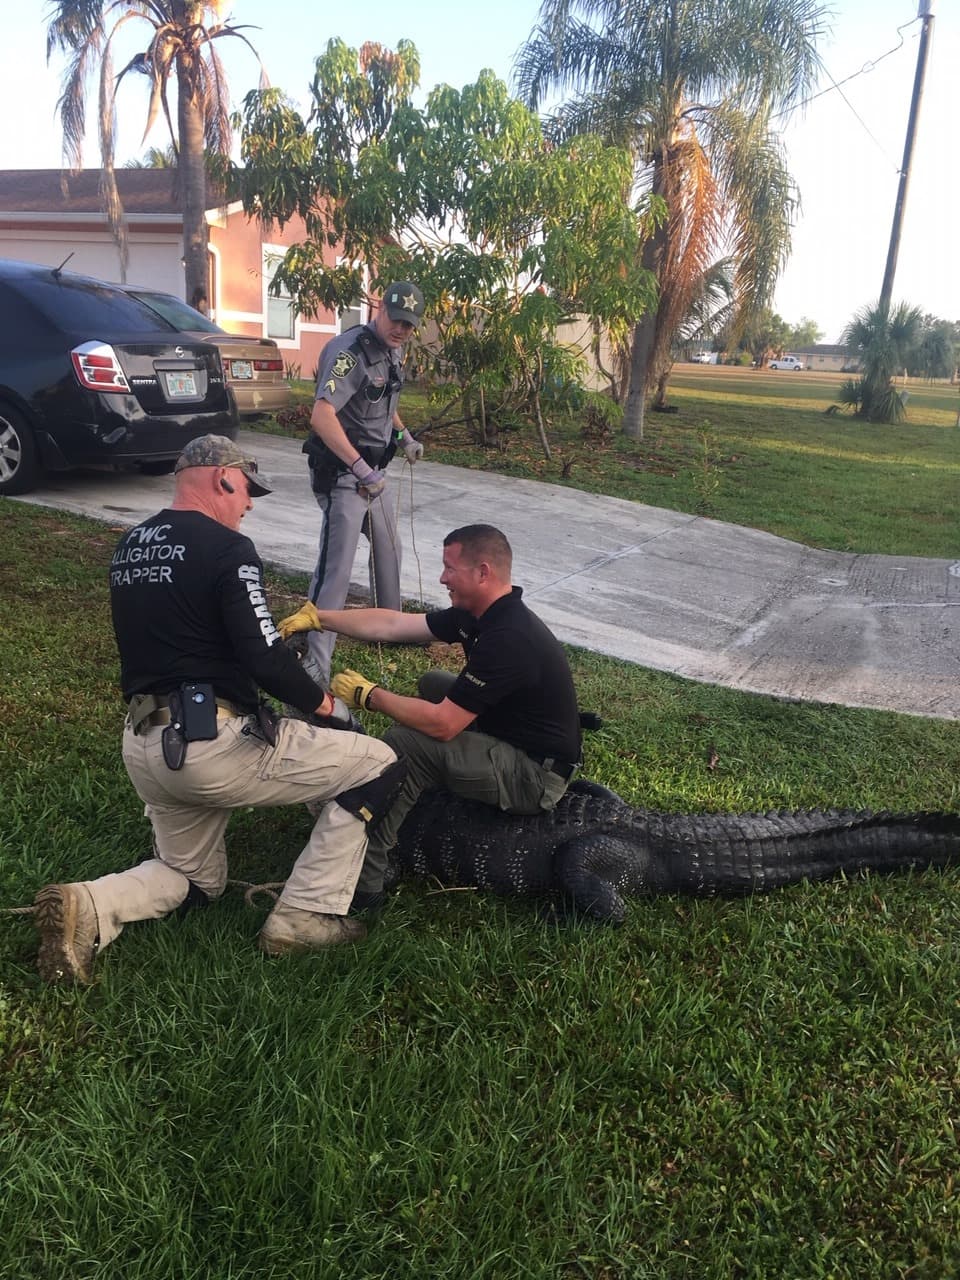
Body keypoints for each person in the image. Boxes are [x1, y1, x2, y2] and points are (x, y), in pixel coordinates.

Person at [32, 434, 403, 984]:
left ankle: (88, 905)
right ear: (222, 478)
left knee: (193, 879)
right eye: (246, 490)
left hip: (145, 746)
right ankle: (305, 915)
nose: (248, 503)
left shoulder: (131, 544)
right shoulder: (229, 549)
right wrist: (327, 706)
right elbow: (265, 657)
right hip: (212, 746)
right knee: (378, 762)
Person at [279, 524, 583, 908]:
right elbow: (394, 625)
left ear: (483, 572)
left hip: (535, 777)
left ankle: (368, 879)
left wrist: (371, 696)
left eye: (449, 568)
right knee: (435, 683)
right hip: (519, 736)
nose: (442, 578)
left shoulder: (509, 637)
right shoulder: (480, 613)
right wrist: (320, 617)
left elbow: (443, 724)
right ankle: (434, 779)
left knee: (407, 744)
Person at [300, 281, 426, 688]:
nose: (400, 330)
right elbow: (321, 416)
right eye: (396, 320)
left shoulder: (393, 351)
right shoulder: (348, 352)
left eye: (409, 325)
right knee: (335, 571)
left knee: (390, 548)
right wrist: (359, 469)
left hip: (376, 475)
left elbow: (384, 403)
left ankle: (392, 629)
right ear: (380, 310)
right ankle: (315, 660)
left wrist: (404, 437)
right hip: (343, 475)